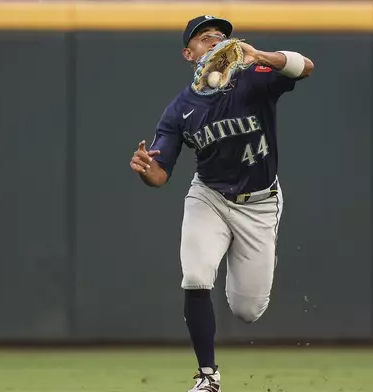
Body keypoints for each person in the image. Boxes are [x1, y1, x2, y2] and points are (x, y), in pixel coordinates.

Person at [129, 14, 314, 392]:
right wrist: (147, 170)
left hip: (259, 203)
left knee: (248, 311)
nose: (214, 41)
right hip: (209, 196)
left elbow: (305, 67)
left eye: (220, 37)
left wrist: (261, 54)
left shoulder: (255, 77)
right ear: (189, 53)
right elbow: (160, 174)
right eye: (204, 38)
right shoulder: (179, 109)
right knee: (196, 277)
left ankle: (256, 254)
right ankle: (207, 376)